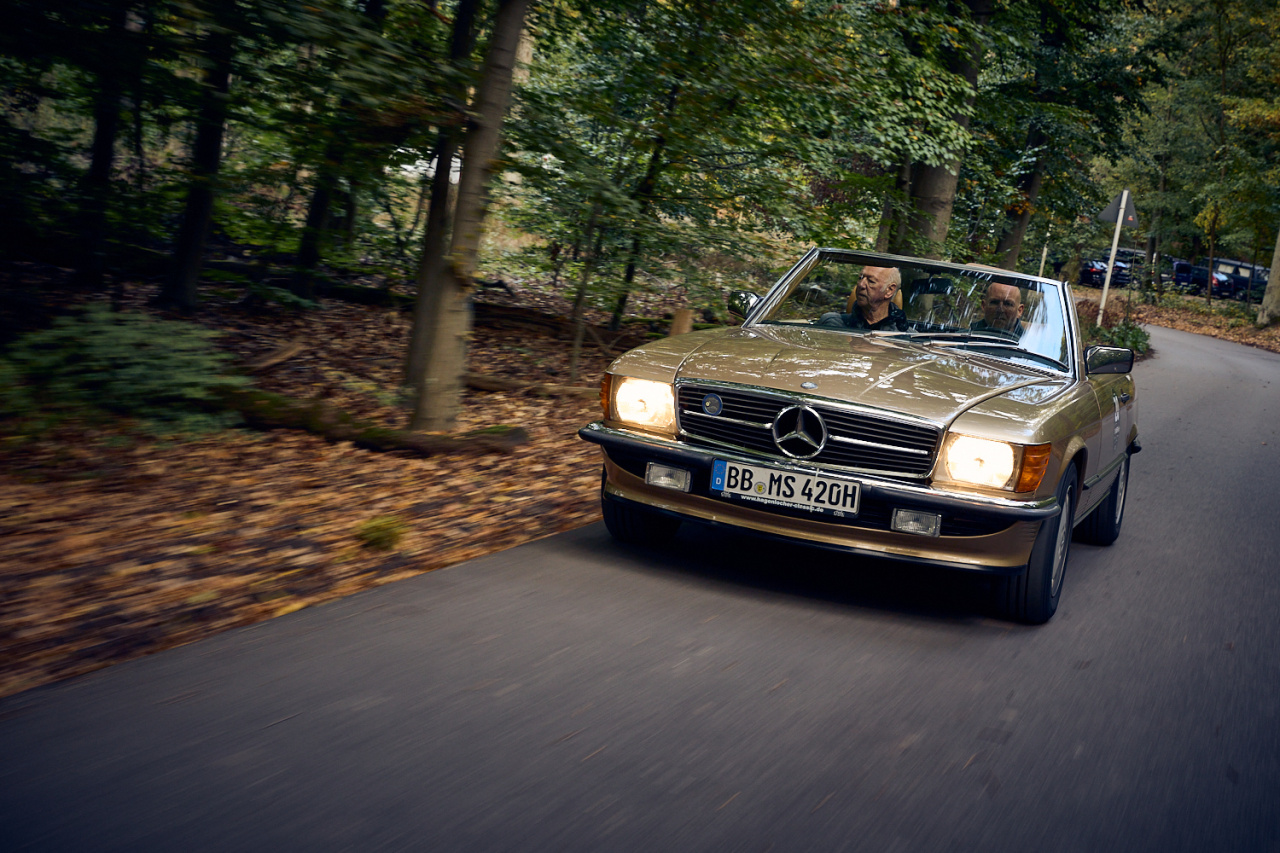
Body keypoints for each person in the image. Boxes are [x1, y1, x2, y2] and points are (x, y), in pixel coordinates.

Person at [815, 266, 907, 331]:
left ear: (889, 290)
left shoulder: (905, 336)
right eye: (860, 278)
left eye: (871, 281)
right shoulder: (831, 323)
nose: (861, 284)